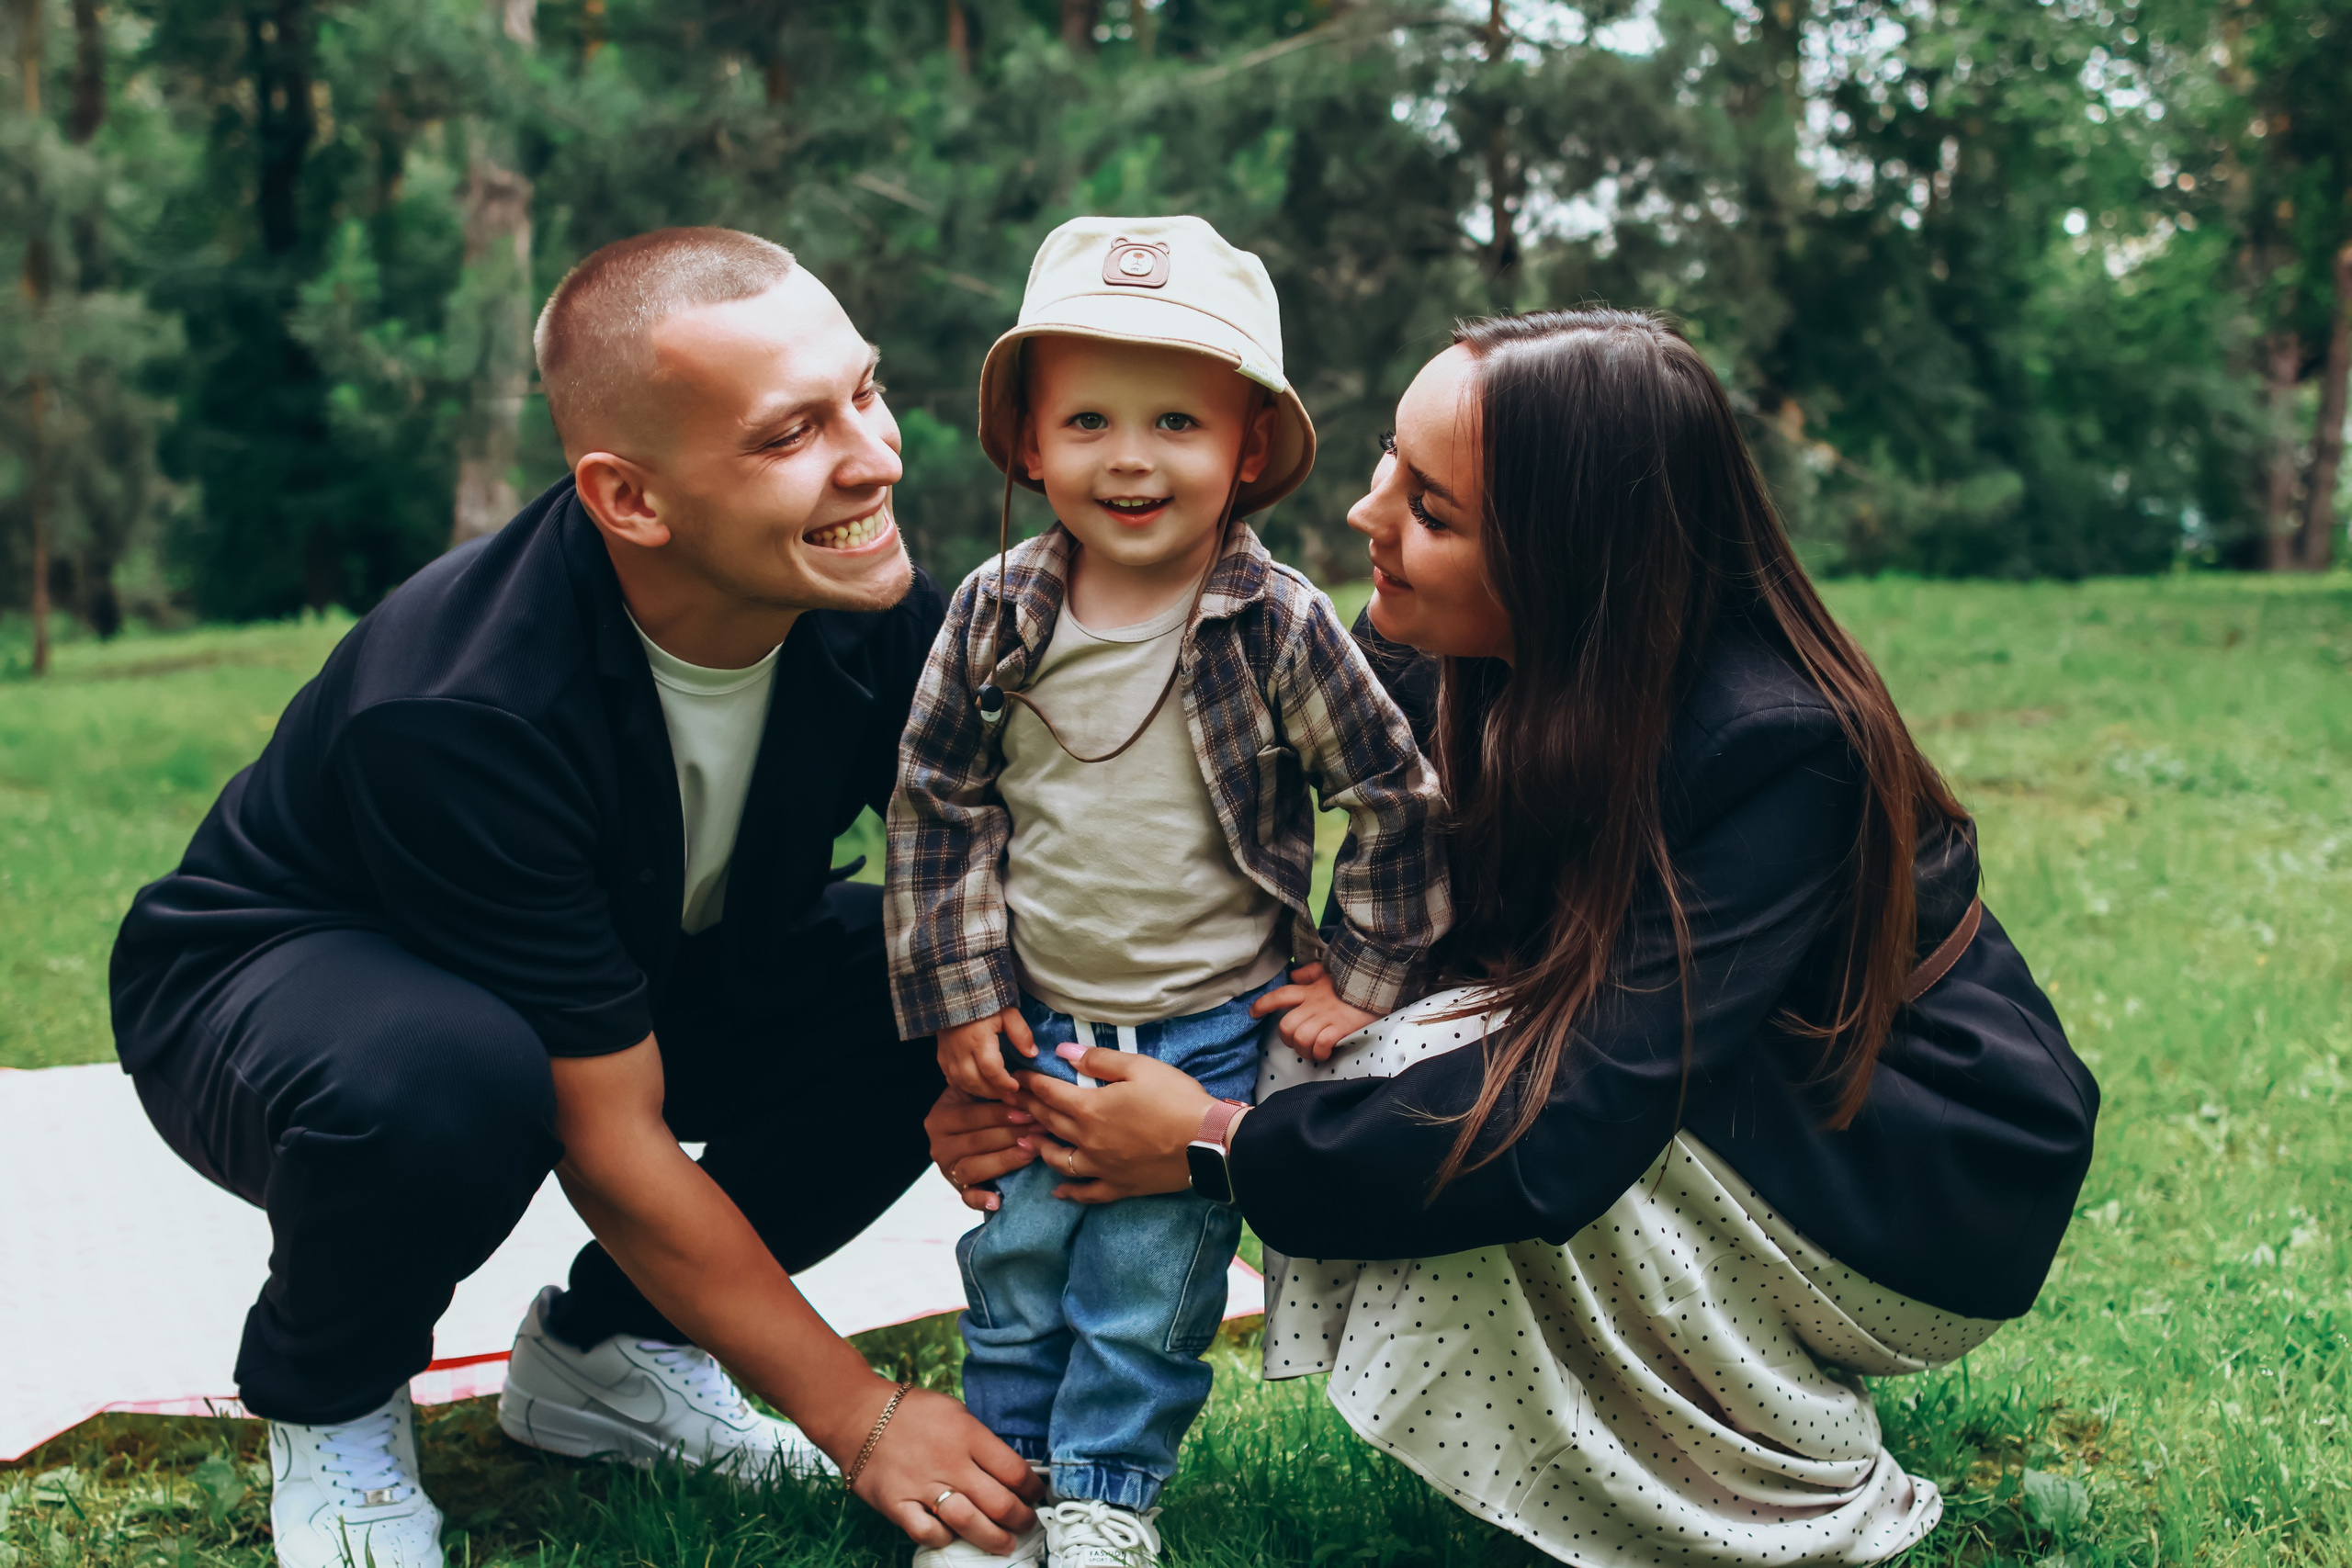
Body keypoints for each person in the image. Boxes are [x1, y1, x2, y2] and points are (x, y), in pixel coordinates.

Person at [928, 309, 2101, 1565]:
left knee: (1423, 1067)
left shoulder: (1779, 746)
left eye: (1433, 512)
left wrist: (1218, 1145)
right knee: (1341, 1040)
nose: (1369, 515)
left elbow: (1582, 1114)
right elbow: (1143, 857)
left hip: (1918, 1185)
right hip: (1711, 1098)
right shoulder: (1439, 649)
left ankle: (1782, 1485)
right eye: (1392, 461)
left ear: (1572, 559)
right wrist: (1017, 1068)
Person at [109, 228, 1046, 1568]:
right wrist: (862, 1414)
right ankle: (332, 1402)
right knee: (449, 1081)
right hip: (282, 987)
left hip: (637, 956)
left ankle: (609, 1357)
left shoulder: (858, 600)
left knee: (940, 976)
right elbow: (608, 1137)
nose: (876, 458)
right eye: (791, 434)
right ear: (631, 499)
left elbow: (1011, 855)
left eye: (866, 392)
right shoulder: (462, 705)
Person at [886, 215, 1450, 1568]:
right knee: (1015, 1268)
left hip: (1205, 1025)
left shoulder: (1278, 621)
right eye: (1087, 420)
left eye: (1176, 425)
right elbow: (937, 799)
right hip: (1036, 1018)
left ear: (1246, 450)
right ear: (1029, 444)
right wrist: (961, 990)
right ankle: (1001, 1502)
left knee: (1145, 1289)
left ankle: (1104, 1501)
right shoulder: (996, 613)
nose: (1129, 458)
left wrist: (1359, 974)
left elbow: (1392, 794)